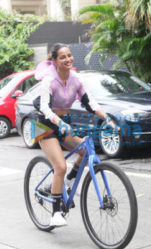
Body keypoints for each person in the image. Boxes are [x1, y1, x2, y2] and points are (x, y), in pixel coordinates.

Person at [33, 43, 116, 227]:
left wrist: (106, 118)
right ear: (54, 61)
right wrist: (59, 122)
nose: (68, 59)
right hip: (43, 124)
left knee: (86, 150)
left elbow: (89, 101)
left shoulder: (76, 79)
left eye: (69, 55)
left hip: (64, 122)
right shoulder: (49, 80)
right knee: (60, 166)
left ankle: (69, 182)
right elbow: (44, 106)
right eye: (62, 57)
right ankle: (55, 213)